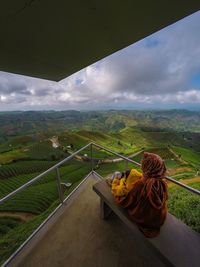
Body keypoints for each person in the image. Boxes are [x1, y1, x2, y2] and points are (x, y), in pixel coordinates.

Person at [111, 152, 168, 238]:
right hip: (159, 219)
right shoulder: (162, 183)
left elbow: (125, 202)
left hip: (144, 220)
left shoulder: (140, 184)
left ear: (147, 168)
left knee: (119, 196)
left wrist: (117, 182)